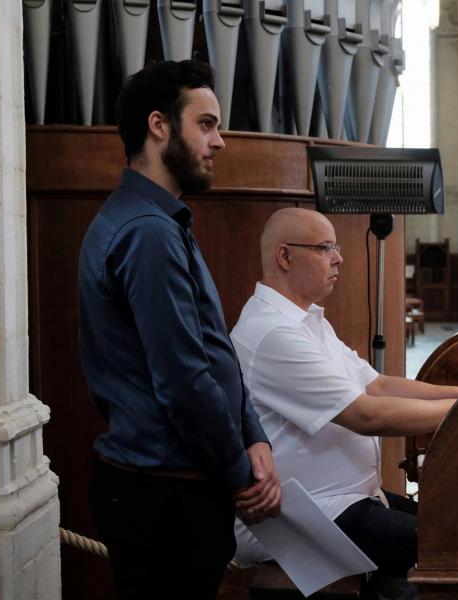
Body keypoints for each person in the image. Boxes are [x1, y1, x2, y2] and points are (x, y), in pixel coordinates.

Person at [78, 60, 281, 599]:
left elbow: (213, 349)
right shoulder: (146, 232)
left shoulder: (160, 221)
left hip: (172, 485)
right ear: (159, 126)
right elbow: (183, 379)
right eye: (207, 124)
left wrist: (253, 434)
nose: (220, 141)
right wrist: (242, 474)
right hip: (162, 493)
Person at [230, 207, 458, 599]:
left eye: (336, 247)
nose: (338, 257)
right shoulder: (271, 332)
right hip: (309, 513)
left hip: (350, 501)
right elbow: (366, 415)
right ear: (285, 256)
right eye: (325, 248)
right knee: (455, 546)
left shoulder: (309, 322)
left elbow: (378, 386)